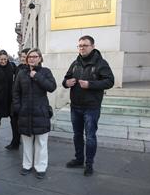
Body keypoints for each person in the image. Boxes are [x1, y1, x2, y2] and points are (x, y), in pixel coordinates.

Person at [62, 35, 114, 176]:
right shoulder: (75, 63)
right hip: (76, 106)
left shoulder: (101, 63)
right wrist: (67, 83)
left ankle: (89, 164)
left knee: (90, 136)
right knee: (77, 135)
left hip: (91, 107)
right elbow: (65, 79)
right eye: (79, 45)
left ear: (92, 46)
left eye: (85, 45)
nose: (82, 48)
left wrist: (90, 84)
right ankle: (79, 159)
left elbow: (109, 81)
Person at [13, 48, 57, 179]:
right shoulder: (21, 73)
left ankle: (40, 167)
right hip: (25, 112)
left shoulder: (46, 72)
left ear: (40, 58)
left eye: (35, 56)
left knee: (41, 142)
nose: (32, 58)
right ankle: (27, 165)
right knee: (26, 141)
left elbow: (52, 87)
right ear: (26, 59)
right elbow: (15, 92)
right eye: (29, 57)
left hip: (41, 112)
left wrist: (36, 76)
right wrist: (18, 108)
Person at [6, 48, 30, 150]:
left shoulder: (31, 69)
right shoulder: (18, 67)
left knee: (23, 123)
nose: (22, 59)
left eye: (25, 57)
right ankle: (15, 141)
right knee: (13, 120)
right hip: (15, 99)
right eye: (22, 56)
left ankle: (24, 144)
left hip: (25, 100)